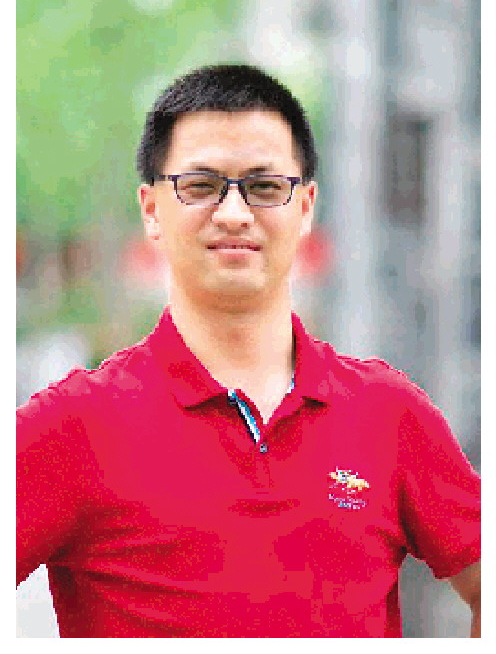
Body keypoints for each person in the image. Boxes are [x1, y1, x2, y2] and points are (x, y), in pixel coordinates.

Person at [16, 64, 481, 638]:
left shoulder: (389, 413)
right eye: (201, 185)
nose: (234, 214)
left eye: (264, 187)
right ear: (152, 209)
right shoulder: (75, 426)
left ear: (305, 207)